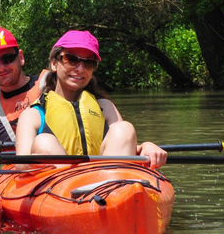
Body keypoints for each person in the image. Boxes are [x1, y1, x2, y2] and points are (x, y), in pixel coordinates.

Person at [14, 30, 167, 168]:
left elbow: (125, 145)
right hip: (60, 186)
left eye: (88, 62)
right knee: (44, 141)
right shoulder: (33, 115)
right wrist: (41, 157)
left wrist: (146, 146)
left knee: (125, 129)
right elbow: (21, 166)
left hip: (105, 184)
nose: (80, 69)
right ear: (54, 63)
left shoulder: (105, 107)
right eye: (71, 59)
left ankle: (113, 192)